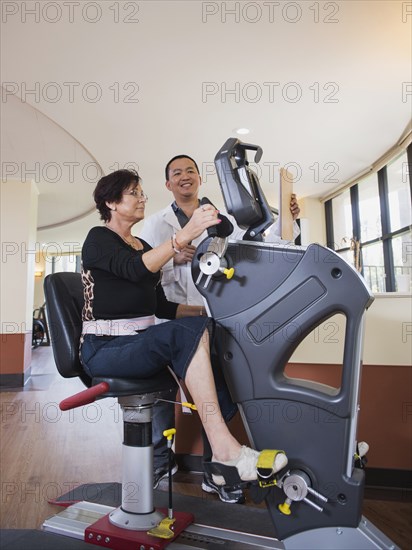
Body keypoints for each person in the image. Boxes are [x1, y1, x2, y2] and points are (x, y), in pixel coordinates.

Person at [80, 169, 288, 494]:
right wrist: (185, 234)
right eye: (134, 192)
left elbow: (163, 307)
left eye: (141, 191)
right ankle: (226, 453)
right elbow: (135, 269)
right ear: (111, 202)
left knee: (208, 330)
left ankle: (218, 463)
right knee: (183, 333)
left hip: (138, 344)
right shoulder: (99, 238)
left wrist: (216, 314)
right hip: (104, 349)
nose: (142, 198)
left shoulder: (142, 245)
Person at [140, 155, 300, 503]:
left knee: (212, 389)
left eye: (190, 171)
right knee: (159, 394)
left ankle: (217, 467)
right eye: (176, 173)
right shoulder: (155, 225)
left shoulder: (219, 219)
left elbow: (262, 243)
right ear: (168, 184)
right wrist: (172, 252)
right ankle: (158, 464)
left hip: (212, 318)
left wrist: (290, 221)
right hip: (170, 320)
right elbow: (141, 272)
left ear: (199, 178)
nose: (184, 177)